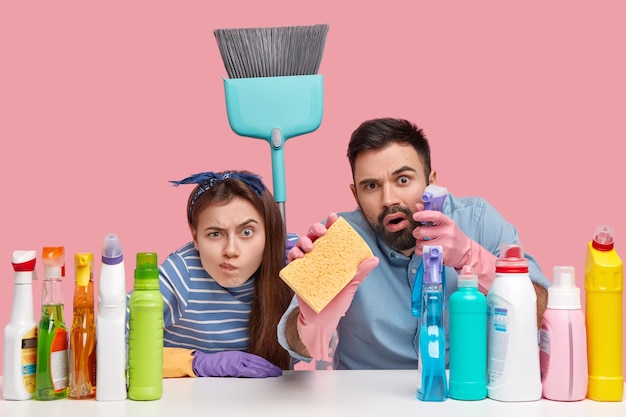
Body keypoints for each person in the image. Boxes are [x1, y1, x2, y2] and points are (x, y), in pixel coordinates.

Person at [278, 117, 551, 370]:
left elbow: (539, 311)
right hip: (365, 398)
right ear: (355, 194)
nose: (389, 199)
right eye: (371, 186)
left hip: (464, 392)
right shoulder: (339, 241)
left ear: (431, 181)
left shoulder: (478, 221)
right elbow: (296, 347)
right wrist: (312, 320)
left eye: (403, 180)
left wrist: (472, 258)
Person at [153, 170, 294, 378]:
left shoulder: (289, 264)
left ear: (269, 233)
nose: (230, 250)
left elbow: (308, 350)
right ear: (196, 238)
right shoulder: (180, 275)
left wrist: (308, 290)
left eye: (246, 232)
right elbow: (109, 344)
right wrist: (193, 363)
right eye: (215, 234)